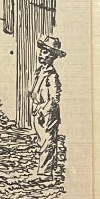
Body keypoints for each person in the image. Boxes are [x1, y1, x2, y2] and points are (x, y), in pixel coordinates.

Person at [30, 33, 65, 178]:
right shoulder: (40, 72)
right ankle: (45, 169)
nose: (41, 54)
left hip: (47, 113)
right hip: (38, 111)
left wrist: (43, 110)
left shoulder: (51, 75)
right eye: (41, 50)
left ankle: (45, 173)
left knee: (47, 141)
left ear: (52, 56)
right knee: (41, 141)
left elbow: (54, 98)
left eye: (45, 52)